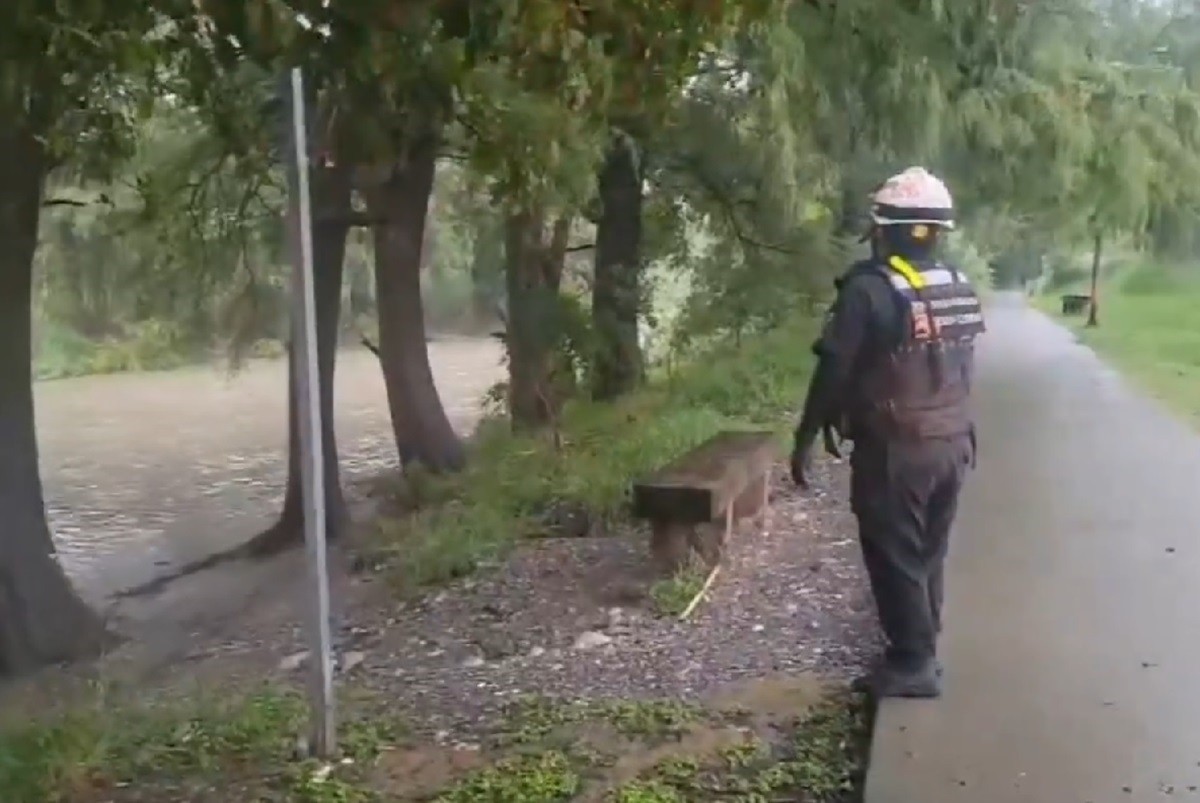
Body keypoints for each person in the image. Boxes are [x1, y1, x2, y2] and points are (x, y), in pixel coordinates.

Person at [790, 166, 986, 699]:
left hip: (897, 447)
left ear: (884, 230)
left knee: (894, 550)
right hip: (952, 442)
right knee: (927, 550)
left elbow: (834, 364)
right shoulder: (957, 286)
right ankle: (922, 644)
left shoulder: (869, 290)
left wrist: (806, 435)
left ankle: (913, 662)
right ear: (936, 232)